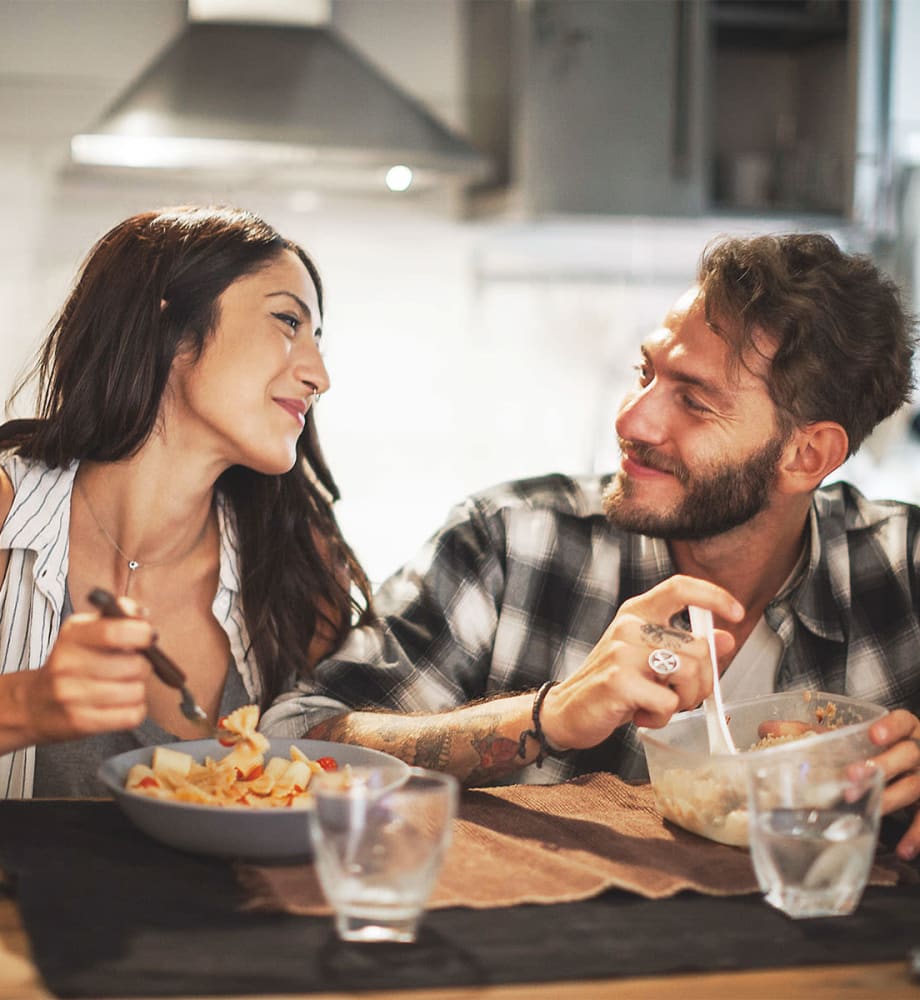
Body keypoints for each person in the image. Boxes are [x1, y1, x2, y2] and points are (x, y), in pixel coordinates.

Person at [260, 232, 920, 860]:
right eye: (646, 373)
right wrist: (548, 717)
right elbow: (289, 739)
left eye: (693, 400)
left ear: (808, 454)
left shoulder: (903, 570)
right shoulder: (512, 542)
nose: (632, 419)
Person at [0, 205, 371, 798]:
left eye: (317, 338)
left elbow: (343, 768)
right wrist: (23, 702)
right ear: (170, 328)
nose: (319, 374)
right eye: (287, 322)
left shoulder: (295, 563)